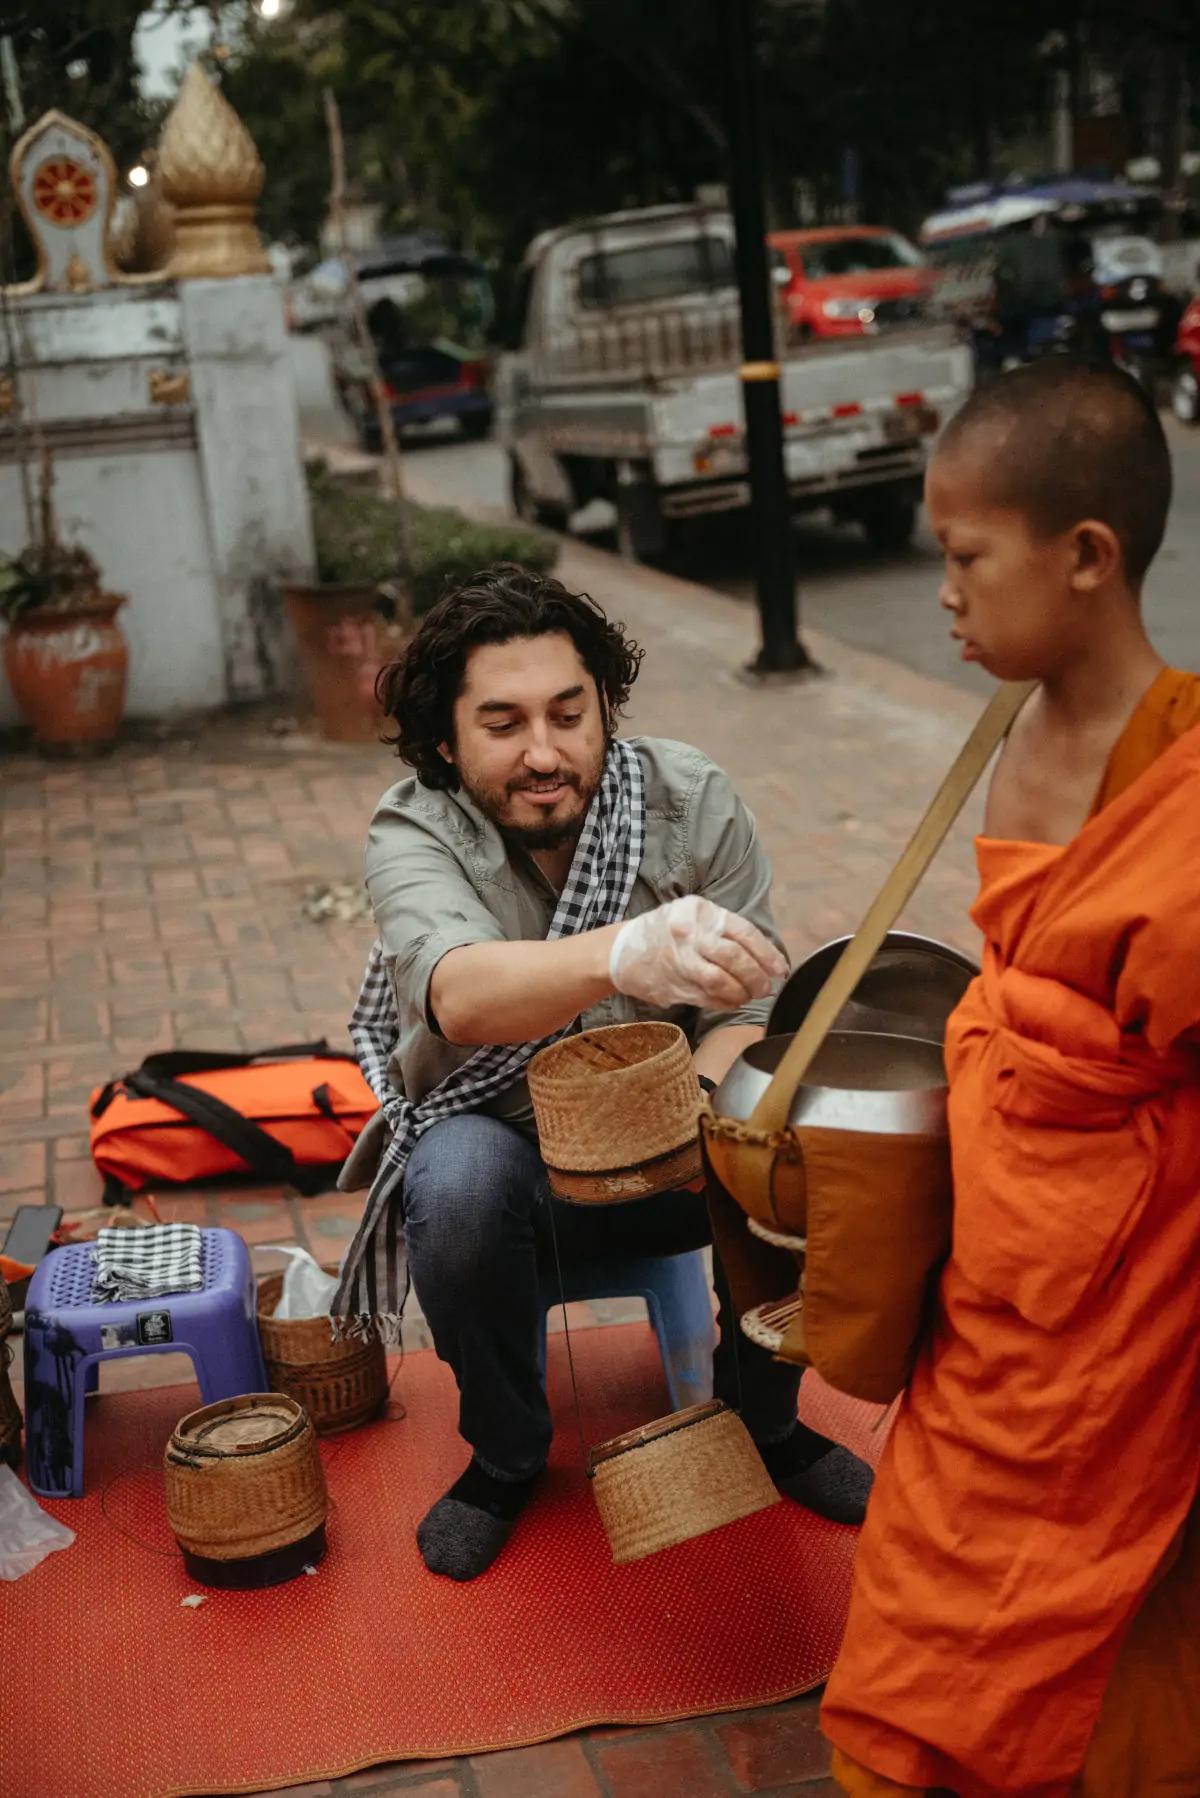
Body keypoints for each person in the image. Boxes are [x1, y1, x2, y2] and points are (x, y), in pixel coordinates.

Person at [332, 565, 875, 1581]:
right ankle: (506, 1454)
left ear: (604, 712)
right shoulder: (415, 828)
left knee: (794, 1126)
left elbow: (752, 1010)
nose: (545, 752)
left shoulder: (689, 797)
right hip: (512, 1171)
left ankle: (764, 1419)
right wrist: (625, 953)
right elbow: (456, 991)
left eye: (569, 714)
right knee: (450, 1185)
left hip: (678, 1147)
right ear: (447, 740)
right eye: (503, 723)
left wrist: (704, 1110)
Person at [822, 359, 1200, 1797]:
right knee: (937, 1535)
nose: (946, 593)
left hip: (1134, 1277)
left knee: (1109, 1587)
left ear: (1087, 557)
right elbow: (1019, 986)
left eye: (968, 555)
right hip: (1002, 1265)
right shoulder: (1011, 732)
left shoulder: (1187, 771)